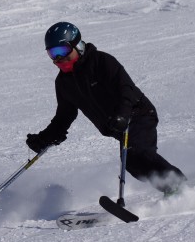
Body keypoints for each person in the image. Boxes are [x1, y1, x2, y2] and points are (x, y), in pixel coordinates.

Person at [26, 21, 186, 196]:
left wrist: (123, 115)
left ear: (77, 46)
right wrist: (45, 138)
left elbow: (126, 89)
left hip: (137, 114)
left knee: (139, 155)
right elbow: (65, 115)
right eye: (52, 53)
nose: (58, 59)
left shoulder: (101, 62)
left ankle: (180, 187)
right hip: (117, 125)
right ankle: (174, 189)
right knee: (134, 166)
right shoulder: (64, 83)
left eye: (62, 51)